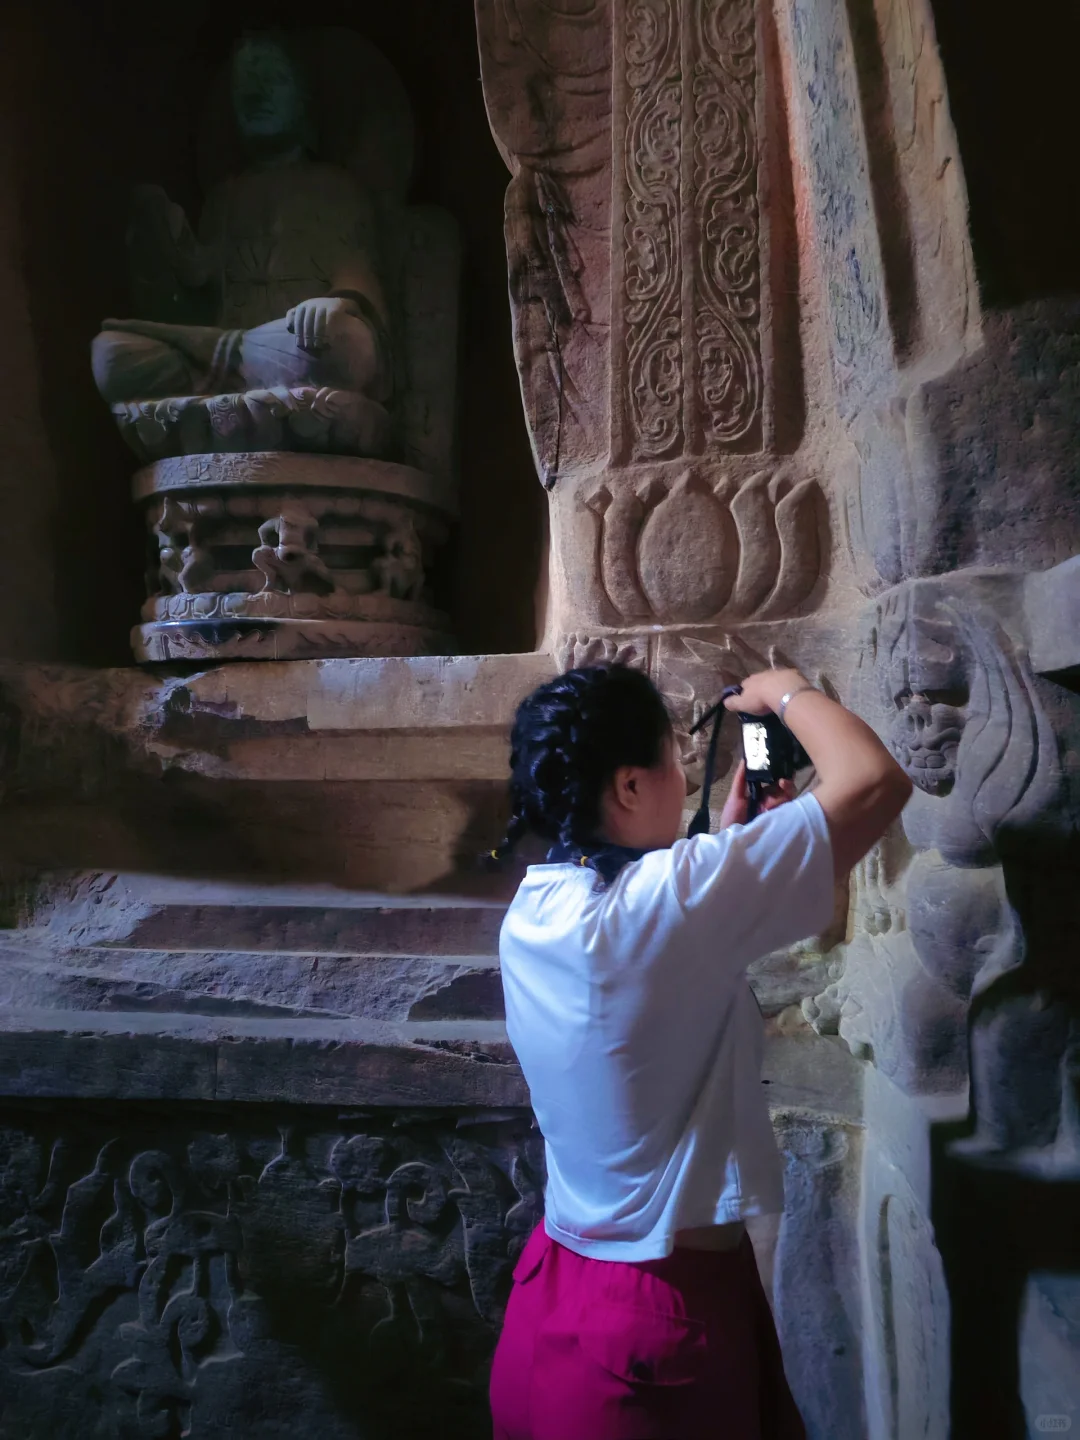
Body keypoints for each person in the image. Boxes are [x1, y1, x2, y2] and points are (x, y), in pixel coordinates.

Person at [488, 663, 912, 1440]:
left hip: (556, 1298)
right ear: (626, 787)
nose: (682, 780)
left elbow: (654, 973)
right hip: (652, 1332)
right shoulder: (668, 902)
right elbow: (874, 781)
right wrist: (783, 690)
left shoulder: (536, 910)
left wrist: (728, 846)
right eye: (671, 760)